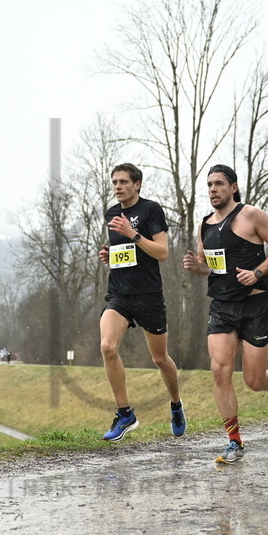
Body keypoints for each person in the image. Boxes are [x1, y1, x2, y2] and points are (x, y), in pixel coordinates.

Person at [182, 164, 268, 464]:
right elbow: (209, 266)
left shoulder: (251, 215)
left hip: (255, 306)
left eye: (219, 184)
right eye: (209, 185)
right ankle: (234, 441)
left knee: (253, 380)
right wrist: (197, 268)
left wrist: (258, 272)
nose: (213, 190)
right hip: (222, 306)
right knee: (219, 370)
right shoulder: (204, 224)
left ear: (233, 187)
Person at [97, 163, 185, 441]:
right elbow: (125, 252)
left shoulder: (151, 210)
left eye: (123, 181)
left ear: (137, 184)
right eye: (114, 182)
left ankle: (176, 405)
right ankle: (125, 414)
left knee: (160, 358)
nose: (118, 187)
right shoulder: (111, 213)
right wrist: (110, 255)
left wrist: (133, 234)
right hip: (119, 293)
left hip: (148, 295)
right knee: (107, 346)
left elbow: (162, 252)